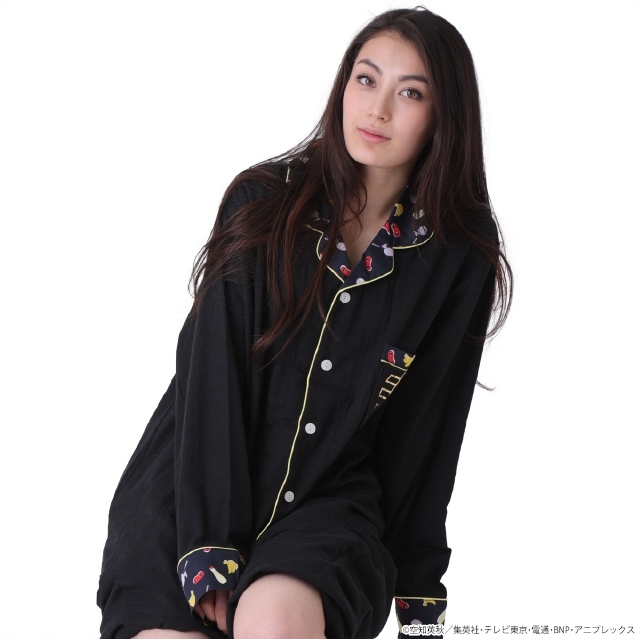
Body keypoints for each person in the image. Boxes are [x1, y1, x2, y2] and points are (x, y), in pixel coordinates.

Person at [96, 6, 512, 639]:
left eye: (410, 93)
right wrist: (209, 542)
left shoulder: (457, 255)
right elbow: (211, 376)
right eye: (366, 80)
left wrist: (418, 584)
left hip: (326, 506)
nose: (377, 110)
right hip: (190, 488)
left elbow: (427, 424)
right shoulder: (262, 200)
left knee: (275, 622)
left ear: (443, 116)